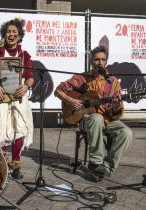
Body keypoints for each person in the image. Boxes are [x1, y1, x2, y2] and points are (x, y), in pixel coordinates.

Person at [54, 46, 132, 181]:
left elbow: (117, 114)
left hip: (108, 120)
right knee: (96, 118)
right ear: (91, 61)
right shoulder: (82, 78)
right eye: (97, 60)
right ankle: (96, 162)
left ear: (106, 62)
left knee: (126, 132)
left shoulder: (113, 82)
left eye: (103, 60)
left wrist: (116, 106)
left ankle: (106, 167)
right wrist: (71, 100)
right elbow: (59, 90)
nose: (100, 62)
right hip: (86, 120)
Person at [0, 18, 34, 180]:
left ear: (19, 36)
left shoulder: (24, 55)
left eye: (14, 32)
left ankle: (16, 164)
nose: (11, 34)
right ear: (4, 34)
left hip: (18, 97)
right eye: (8, 32)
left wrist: (26, 86)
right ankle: (1, 164)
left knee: (18, 131)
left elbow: (31, 77)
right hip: (0, 96)